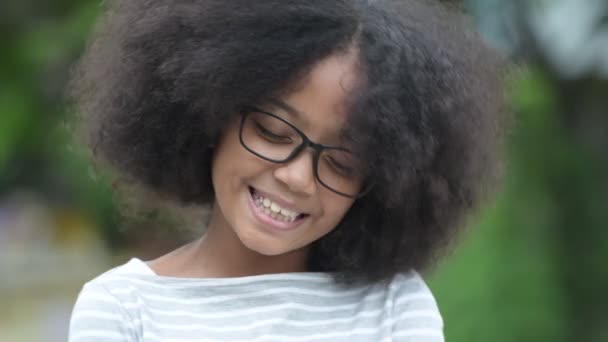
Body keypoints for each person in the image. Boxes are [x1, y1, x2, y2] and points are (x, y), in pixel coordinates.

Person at [67, 0, 506, 341]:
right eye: (273, 131)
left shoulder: (393, 306)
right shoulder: (124, 308)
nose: (297, 177)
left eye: (341, 162)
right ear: (213, 112)